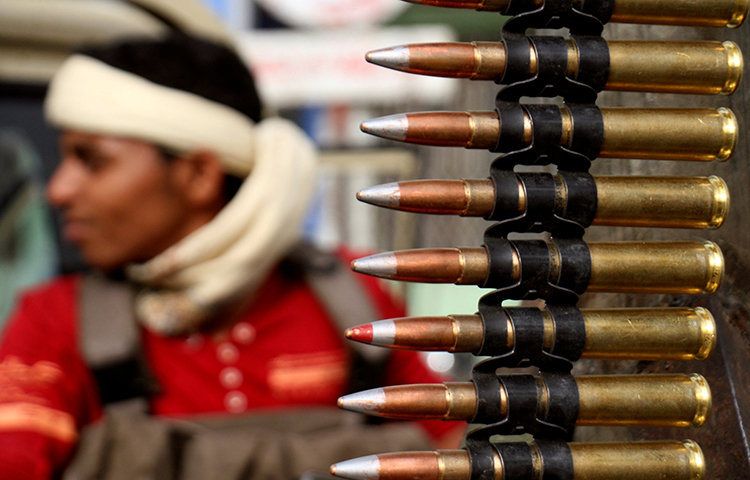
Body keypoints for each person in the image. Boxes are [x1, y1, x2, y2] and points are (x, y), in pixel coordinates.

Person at [0, 34, 463, 480]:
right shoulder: (56, 320)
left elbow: (451, 445)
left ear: (199, 174)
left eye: (92, 160)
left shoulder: (348, 298)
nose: (58, 190)